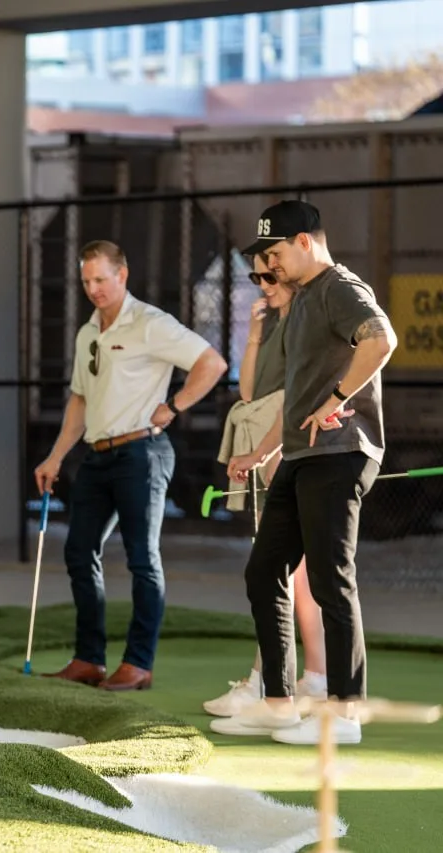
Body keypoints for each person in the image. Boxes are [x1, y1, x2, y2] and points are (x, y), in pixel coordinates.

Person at [215, 200, 396, 746]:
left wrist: (340, 398)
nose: (270, 267)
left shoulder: (339, 287)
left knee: (329, 581)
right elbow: (297, 396)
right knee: (263, 571)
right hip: (299, 457)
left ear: (304, 242)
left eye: (274, 253)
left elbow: (381, 340)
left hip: (341, 453)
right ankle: (277, 703)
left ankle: (344, 714)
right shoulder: (300, 302)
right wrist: (265, 450)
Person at [35, 240, 228, 691]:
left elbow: (212, 363)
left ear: (122, 275)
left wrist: (175, 405)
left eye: (101, 279)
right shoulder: (88, 333)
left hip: (143, 453)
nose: (93, 289)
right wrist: (56, 456)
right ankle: (88, 660)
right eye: (86, 281)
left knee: (142, 558)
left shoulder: (150, 323)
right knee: (79, 552)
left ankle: (138, 663)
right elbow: (80, 400)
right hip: (98, 457)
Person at [204, 252, 327, 717]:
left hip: (282, 441)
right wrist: (255, 332)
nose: (262, 282)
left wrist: (270, 450)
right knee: (292, 569)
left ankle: (265, 681)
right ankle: (311, 674)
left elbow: (292, 395)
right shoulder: (277, 323)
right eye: (256, 275)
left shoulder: (303, 319)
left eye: (269, 273)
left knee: (275, 566)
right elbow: (250, 390)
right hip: (270, 434)